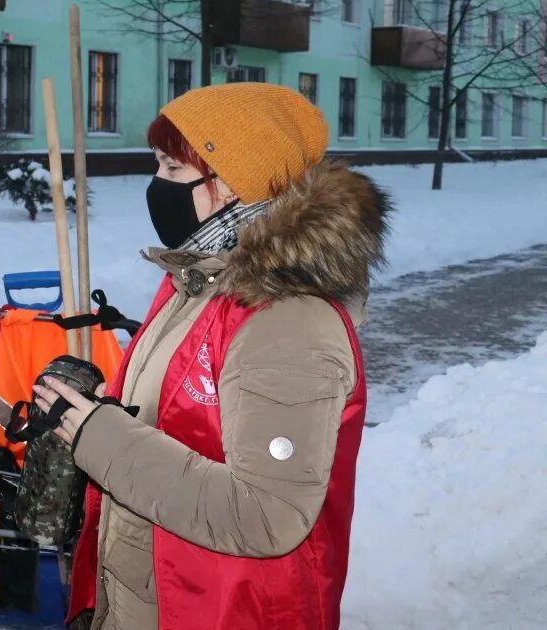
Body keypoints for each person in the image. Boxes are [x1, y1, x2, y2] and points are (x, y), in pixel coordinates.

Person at [34, 83, 390, 630]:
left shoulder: (286, 318)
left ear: (231, 186)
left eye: (172, 169)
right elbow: (174, 427)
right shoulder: (196, 280)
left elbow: (268, 513)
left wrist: (98, 436)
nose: (157, 186)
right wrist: (98, 412)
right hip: (151, 594)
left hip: (221, 608)